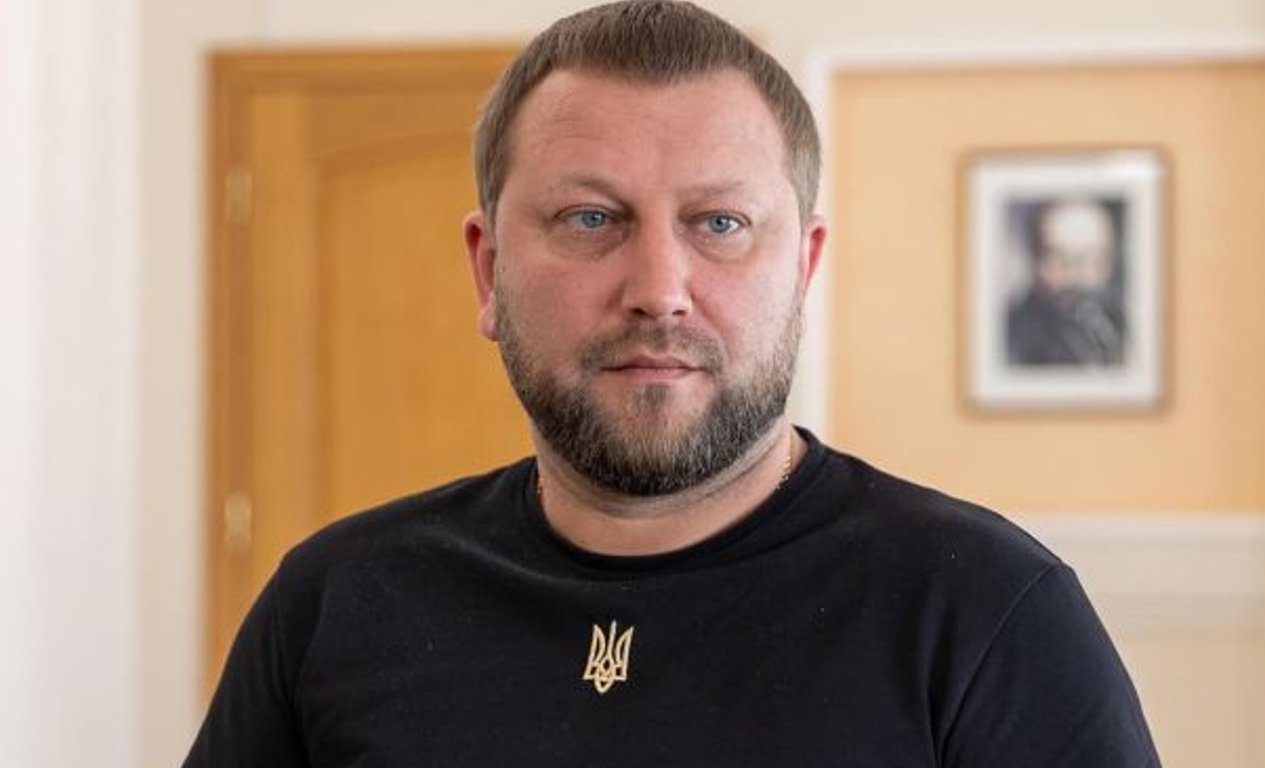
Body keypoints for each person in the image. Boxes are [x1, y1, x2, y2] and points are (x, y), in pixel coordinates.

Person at [185, 2, 1161, 765]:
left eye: (719, 224)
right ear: (488, 271)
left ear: (803, 268)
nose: (658, 289)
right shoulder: (338, 602)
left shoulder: (986, 615)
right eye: (590, 219)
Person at [1007, 197, 1128, 367]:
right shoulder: (1010, 339)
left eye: (1093, 259)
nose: (1076, 276)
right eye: (1060, 259)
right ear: (1035, 259)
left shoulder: (1122, 327)